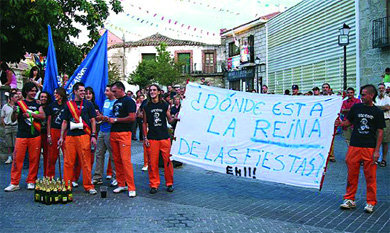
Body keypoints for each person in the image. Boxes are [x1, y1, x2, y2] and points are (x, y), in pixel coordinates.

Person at [336, 84, 385, 213]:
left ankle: (370, 202)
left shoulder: (378, 112)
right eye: (361, 94)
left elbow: (380, 132)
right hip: (354, 146)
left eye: (363, 95)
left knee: (370, 176)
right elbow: (348, 122)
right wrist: (340, 123)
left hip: (369, 147)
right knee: (352, 175)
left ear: (371, 95)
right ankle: (349, 199)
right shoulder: (356, 107)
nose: (361, 97)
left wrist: (376, 151)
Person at [57, 82, 97, 195]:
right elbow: (64, 122)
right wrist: (61, 137)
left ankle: (88, 185)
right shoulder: (68, 104)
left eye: (84, 91)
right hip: (70, 136)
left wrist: (93, 135)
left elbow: (93, 120)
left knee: (86, 162)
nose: (83, 93)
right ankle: (66, 185)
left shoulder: (89, 104)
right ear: (75, 91)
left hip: (84, 135)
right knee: (68, 162)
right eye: (81, 91)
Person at [4, 82, 45, 192]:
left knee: (34, 159)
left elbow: (42, 116)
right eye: (31, 90)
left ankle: (31, 181)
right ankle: (14, 182)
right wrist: (14, 112)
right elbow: (13, 119)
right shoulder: (19, 104)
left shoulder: (38, 104)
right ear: (26, 91)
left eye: (35, 91)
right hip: (21, 135)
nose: (34, 92)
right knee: (17, 159)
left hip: (35, 135)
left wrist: (31, 114)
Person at [143, 84, 176, 194]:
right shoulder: (146, 106)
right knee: (153, 163)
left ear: (158, 92)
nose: (152, 92)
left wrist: (175, 118)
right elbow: (144, 122)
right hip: (152, 138)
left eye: (154, 90)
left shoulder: (164, 104)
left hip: (164, 137)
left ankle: (169, 183)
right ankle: (154, 184)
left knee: (167, 162)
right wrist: (145, 137)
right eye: (150, 90)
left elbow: (169, 119)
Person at [109, 81, 137, 198]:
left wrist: (116, 120)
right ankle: (121, 183)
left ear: (121, 89)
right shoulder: (116, 102)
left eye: (115, 91)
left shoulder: (129, 101)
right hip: (114, 133)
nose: (113, 93)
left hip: (124, 133)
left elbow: (132, 117)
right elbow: (115, 117)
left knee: (125, 160)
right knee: (117, 160)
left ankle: (131, 187)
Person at [92, 85, 117, 186]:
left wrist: (104, 118)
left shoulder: (116, 103)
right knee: (99, 154)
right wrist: (99, 115)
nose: (105, 93)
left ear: (112, 91)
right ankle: (97, 177)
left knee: (113, 155)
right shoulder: (106, 101)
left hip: (110, 132)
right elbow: (103, 114)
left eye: (107, 91)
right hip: (102, 130)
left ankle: (116, 177)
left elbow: (115, 118)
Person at [46, 87, 67, 178]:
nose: (55, 95)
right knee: (52, 155)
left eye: (56, 93)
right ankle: (50, 176)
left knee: (67, 155)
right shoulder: (51, 105)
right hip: (54, 130)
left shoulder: (67, 105)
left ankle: (69, 177)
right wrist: (49, 134)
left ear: (61, 94)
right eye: (54, 93)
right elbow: (49, 121)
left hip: (65, 131)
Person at [375, 83, 390, 167]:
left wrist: (377, 107)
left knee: (385, 141)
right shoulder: (375, 98)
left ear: (385, 89)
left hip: (386, 121)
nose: (381, 89)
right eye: (379, 88)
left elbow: (387, 107)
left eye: (382, 88)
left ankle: (384, 159)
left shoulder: (388, 98)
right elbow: (372, 107)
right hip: (376, 121)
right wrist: (382, 107)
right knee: (375, 140)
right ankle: (376, 158)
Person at [1, 92, 18, 164]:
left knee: (16, 143)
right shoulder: (5, 106)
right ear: (11, 98)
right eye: (15, 97)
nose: (17, 98)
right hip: (8, 126)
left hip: (15, 126)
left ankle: (16, 157)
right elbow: (2, 116)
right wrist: (4, 125)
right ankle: (9, 157)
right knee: (9, 144)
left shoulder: (18, 106)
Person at [38, 91, 51, 176]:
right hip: (37, 134)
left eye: (45, 97)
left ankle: (47, 176)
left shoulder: (49, 108)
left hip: (46, 134)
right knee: (35, 157)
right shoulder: (36, 107)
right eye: (42, 97)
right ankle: (32, 179)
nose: (43, 98)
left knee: (47, 156)